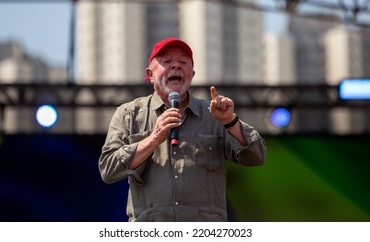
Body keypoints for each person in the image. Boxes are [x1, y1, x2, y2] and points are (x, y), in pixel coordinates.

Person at [99, 37, 266, 222]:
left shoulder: (214, 114)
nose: (176, 66)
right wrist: (154, 138)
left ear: (192, 74)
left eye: (183, 62)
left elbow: (257, 156)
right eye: (167, 61)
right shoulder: (128, 114)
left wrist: (230, 122)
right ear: (151, 74)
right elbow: (108, 169)